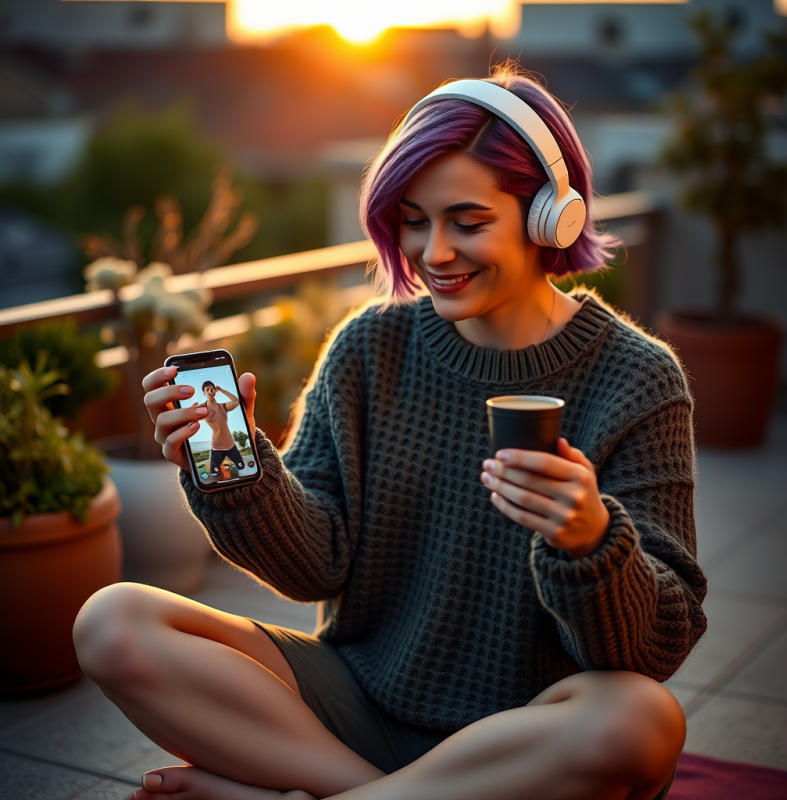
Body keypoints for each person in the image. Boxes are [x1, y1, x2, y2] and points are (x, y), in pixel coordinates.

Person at [73, 65, 707, 800]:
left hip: (526, 736)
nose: (433, 253)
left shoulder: (638, 378)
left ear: (549, 218)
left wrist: (592, 539)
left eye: (467, 222)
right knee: (112, 621)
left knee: (642, 719)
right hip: (356, 699)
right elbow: (315, 568)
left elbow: (656, 645)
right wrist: (242, 470)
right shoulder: (369, 347)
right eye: (413, 220)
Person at [194, 381, 245, 477]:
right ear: (204, 393)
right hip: (217, 447)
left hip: (231, 446)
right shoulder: (204, 409)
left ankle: (235, 465)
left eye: (211, 389)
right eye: (207, 389)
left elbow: (236, 401)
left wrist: (222, 390)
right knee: (214, 473)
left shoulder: (223, 407)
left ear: (215, 391)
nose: (209, 391)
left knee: (241, 467)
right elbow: (192, 414)